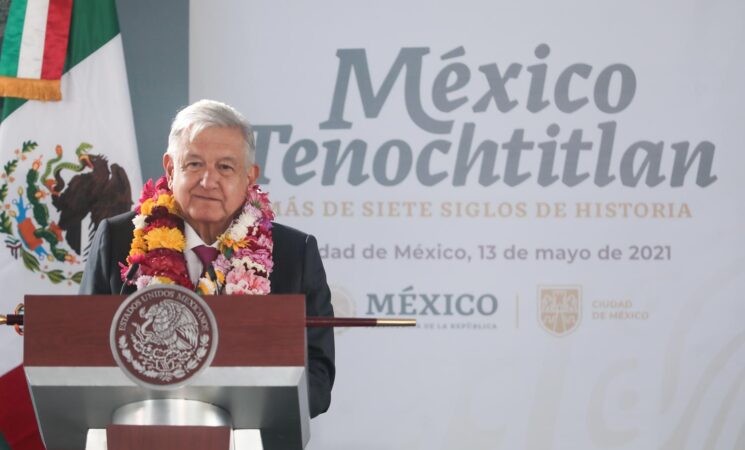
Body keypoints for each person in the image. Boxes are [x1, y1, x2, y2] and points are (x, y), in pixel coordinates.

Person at [79, 99, 335, 417]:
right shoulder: (118, 240)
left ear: (249, 177)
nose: (207, 181)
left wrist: (243, 402)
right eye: (194, 164)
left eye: (225, 167)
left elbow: (318, 381)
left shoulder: (295, 253)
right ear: (171, 171)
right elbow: (83, 356)